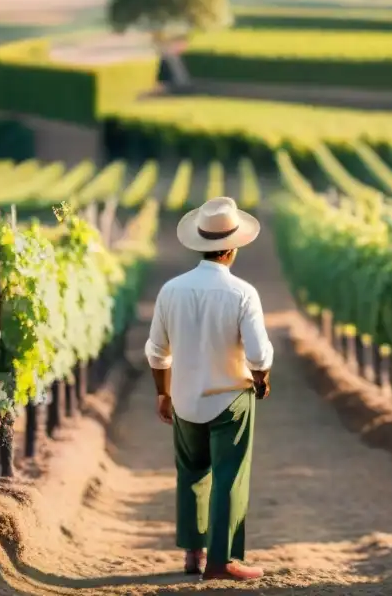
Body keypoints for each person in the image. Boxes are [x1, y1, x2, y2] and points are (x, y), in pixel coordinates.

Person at [144, 196, 273, 582]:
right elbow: (259, 354)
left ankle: (194, 554)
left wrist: (163, 393)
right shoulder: (243, 293)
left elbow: (156, 350)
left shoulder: (171, 290)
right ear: (232, 248)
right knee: (229, 477)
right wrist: (262, 380)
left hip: (184, 399)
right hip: (230, 400)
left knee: (191, 472)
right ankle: (223, 561)